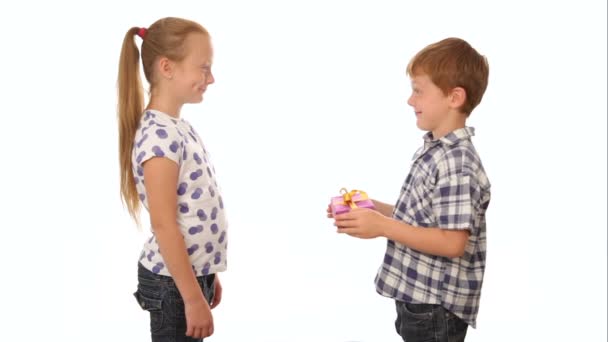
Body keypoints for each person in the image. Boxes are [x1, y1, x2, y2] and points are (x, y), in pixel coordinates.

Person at [331, 37, 491, 342]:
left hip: (436, 307)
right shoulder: (436, 151)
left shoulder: (458, 163)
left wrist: (383, 227)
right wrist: (374, 209)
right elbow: (426, 218)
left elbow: (452, 242)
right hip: (421, 302)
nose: (410, 100)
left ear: (454, 97)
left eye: (418, 91)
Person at [117, 17, 227, 341]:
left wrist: (207, 272)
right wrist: (192, 297)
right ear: (167, 67)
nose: (212, 78)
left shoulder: (177, 128)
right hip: (172, 286)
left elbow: (193, 208)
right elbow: (164, 225)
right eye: (203, 68)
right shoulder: (158, 138)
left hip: (187, 277)